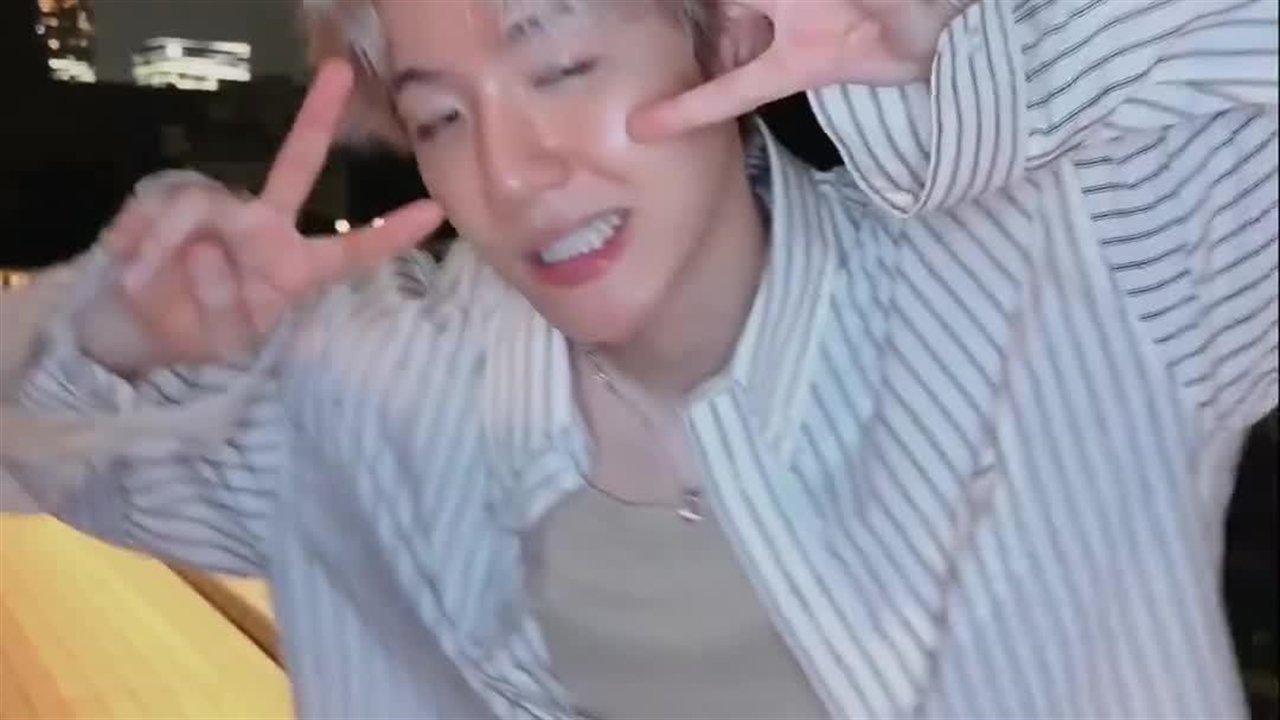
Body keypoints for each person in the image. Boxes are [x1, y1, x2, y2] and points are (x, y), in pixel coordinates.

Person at [1, 0, 1276, 717]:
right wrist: (108, 327)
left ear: (724, 39)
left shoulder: (1072, 276)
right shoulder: (376, 405)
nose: (511, 173)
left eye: (560, 66)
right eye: (441, 117)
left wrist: (991, 55)